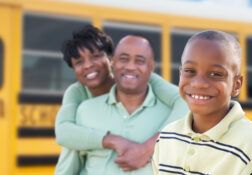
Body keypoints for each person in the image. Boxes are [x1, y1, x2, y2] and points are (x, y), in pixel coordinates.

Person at [54, 25, 188, 174]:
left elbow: (184, 101)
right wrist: (112, 140)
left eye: (95, 56)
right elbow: (64, 132)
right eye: (79, 62)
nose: (88, 65)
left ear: (110, 59)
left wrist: (148, 148)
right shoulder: (79, 98)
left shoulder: (145, 80)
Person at [152, 30, 252, 175]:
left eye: (215, 74)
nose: (198, 83)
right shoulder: (167, 136)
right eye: (190, 71)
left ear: (236, 84)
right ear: (180, 74)